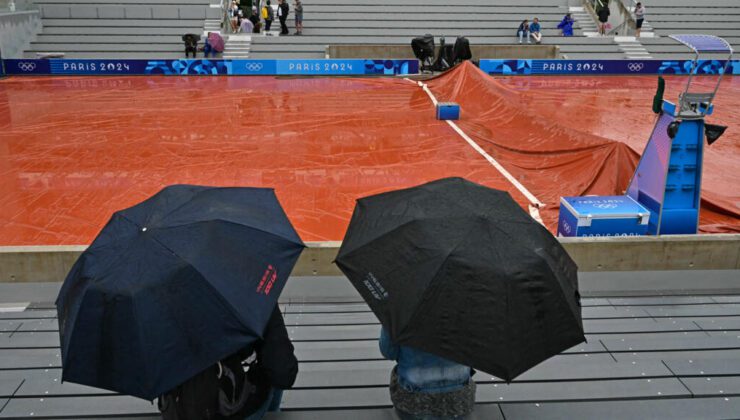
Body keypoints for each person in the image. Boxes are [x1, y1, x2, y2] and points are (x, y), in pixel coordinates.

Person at [158, 306, 298, 420]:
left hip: (175, 410)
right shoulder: (250, 292)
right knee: (274, 364)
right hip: (226, 410)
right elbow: (283, 374)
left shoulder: (161, 299)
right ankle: (274, 413)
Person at [379, 327, 476, 419]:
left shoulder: (399, 312)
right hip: (459, 403)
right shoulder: (471, 313)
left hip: (413, 404)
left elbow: (388, 351)